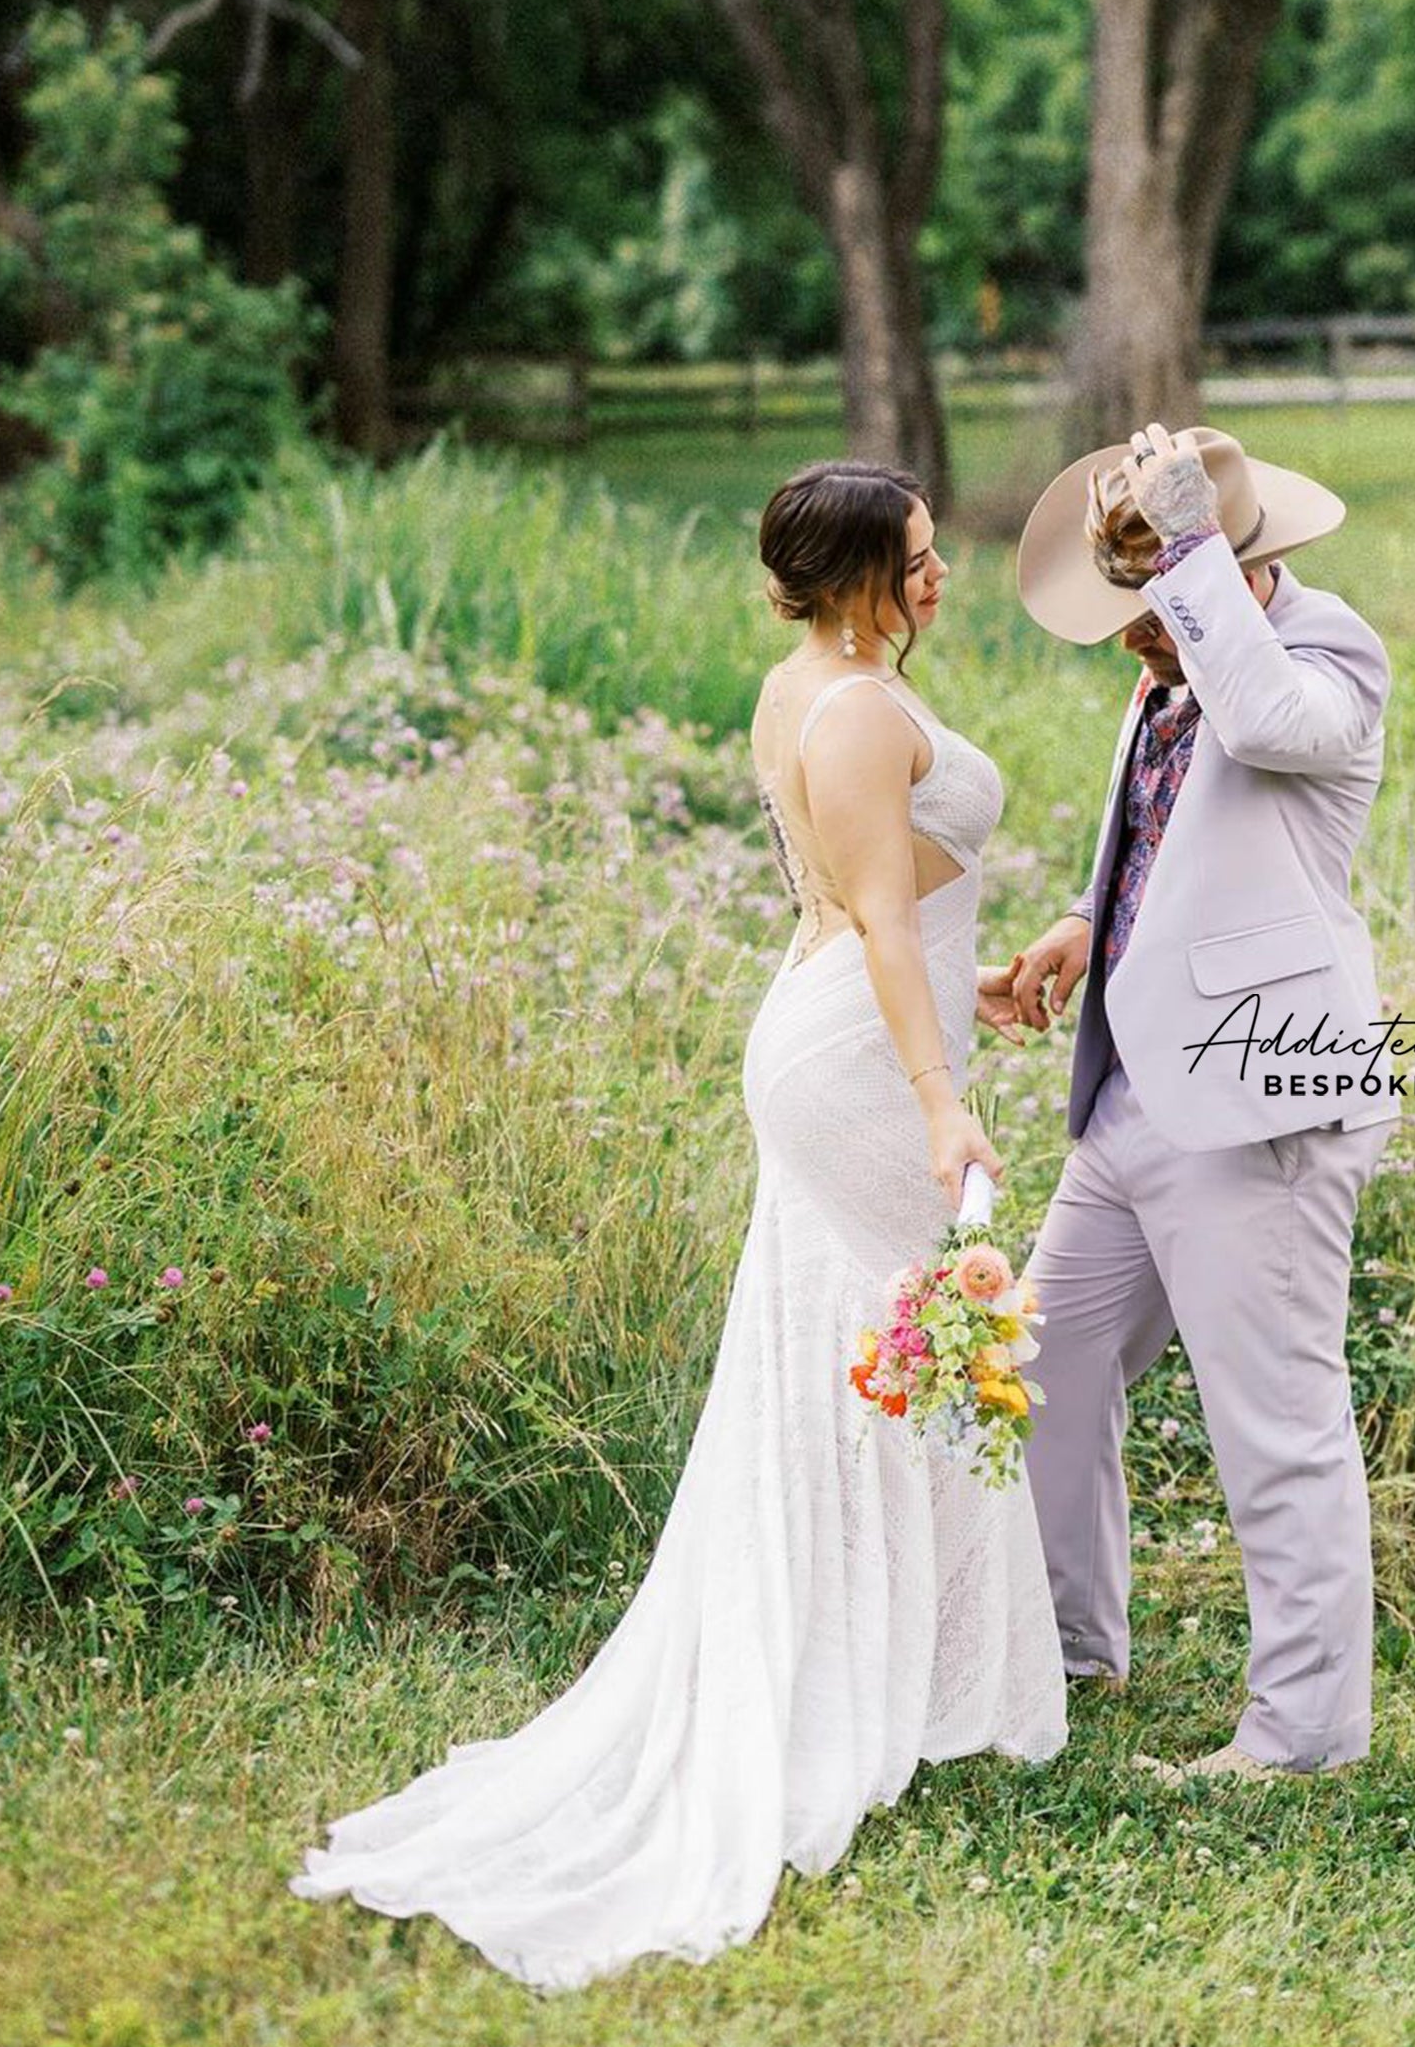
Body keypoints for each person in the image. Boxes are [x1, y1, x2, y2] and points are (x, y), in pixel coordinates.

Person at [289, 461, 1064, 1990]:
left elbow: (857, 899)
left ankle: (903, 1666)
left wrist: (958, 994)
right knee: (896, 1341)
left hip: (856, 1023)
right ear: (858, 575)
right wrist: (934, 1092)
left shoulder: (816, 687)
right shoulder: (846, 709)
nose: (941, 574)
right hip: (856, 1066)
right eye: (918, 557)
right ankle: (867, 1675)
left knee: (877, 1344)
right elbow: (880, 922)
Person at [1006, 421, 1399, 1783]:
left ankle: (1302, 1739)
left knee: (1275, 1422)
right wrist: (1080, 916)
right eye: (1131, 605)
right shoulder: (1173, 662)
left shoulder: (1325, 655)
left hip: (1261, 1104)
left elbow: (1271, 732)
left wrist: (1188, 566)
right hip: (1133, 1095)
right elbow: (1184, 832)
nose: (1135, 638)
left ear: (1236, 565)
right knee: (1040, 1370)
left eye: (1161, 601)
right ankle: (1064, 1649)